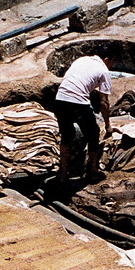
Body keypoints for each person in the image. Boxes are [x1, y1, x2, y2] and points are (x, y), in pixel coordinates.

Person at [52, 53, 112, 186]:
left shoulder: (82, 60)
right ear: (106, 59)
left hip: (60, 98)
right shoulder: (104, 70)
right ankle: (92, 171)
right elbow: (104, 102)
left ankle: (62, 174)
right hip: (78, 103)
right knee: (93, 134)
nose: (110, 66)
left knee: (67, 135)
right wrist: (108, 125)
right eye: (111, 63)